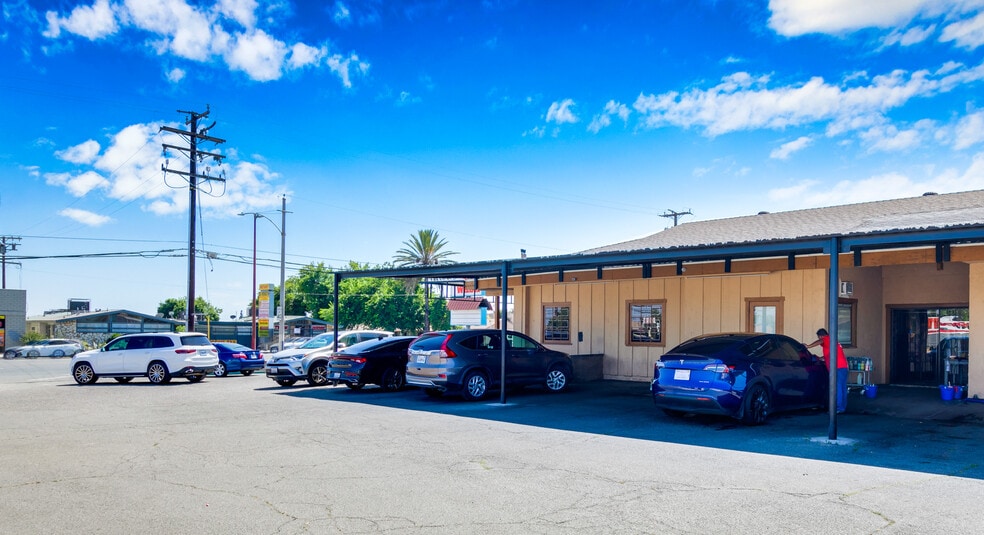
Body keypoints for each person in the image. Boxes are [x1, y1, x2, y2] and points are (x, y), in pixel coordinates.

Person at [806, 328, 849, 413]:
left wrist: (808, 346)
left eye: (819, 337)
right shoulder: (832, 341)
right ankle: (842, 407)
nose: (819, 339)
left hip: (837, 367)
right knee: (842, 387)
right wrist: (822, 358)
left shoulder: (827, 339)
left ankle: (838, 408)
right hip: (843, 367)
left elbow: (820, 341)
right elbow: (830, 354)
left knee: (837, 387)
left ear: (821, 336)